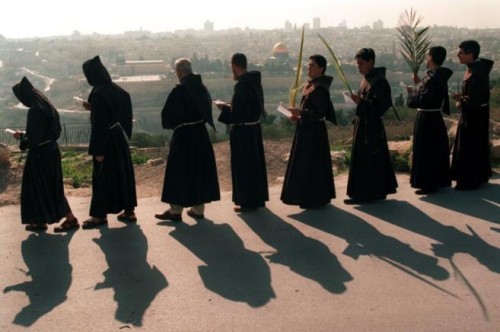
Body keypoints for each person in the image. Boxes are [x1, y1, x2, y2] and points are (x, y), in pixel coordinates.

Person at [155, 58, 220, 221]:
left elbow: (167, 118)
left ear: (179, 72)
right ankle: (198, 209)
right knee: (199, 171)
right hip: (200, 134)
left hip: (184, 137)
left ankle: (175, 210)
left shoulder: (180, 91)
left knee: (179, 172)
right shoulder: (202, 88)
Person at [11, 76, 79, 232]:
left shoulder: (35, 110)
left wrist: (22, 139)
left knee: (41, 187)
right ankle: (41, 220)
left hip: (40, 155)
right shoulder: (47, 106)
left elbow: (33, 138)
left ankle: (70, 219)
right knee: (50, 186)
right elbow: (47, 132)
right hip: (51, 151)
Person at [81, 55, 137, 228]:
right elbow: (119, 105)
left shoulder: (97, 93)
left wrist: (98, 151)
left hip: (106, 141)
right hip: (118, 136)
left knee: (102, 177)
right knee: (122, 175)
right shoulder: (113, 88)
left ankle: (99, 216)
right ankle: (128, 211)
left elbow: (99, 124)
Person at [280, 54, 337, 209]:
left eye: (312, 65)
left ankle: (316, 198)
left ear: (321, 69)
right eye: (308, 64)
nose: (308, 67)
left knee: (314, 164)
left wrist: (301, 114)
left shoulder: (320, 88)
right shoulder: (312, 85)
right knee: (307, 164)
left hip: (314, 132)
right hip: (306, 129)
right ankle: (308, 196)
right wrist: (298, 116)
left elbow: (319, 112)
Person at [216, 53, 269, 212]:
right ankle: (255, 199)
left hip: (243, 132)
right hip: (253, 129)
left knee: (244, 167)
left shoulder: (242, 85)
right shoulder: (253, 82)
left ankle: (247, 201)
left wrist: (223, 108)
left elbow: (237, 113)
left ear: (234, 66)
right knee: (254, 167)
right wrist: (230, 106)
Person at [345, 48, 397, 204]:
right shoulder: (367, 78)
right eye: (357, 63)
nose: (358, 67)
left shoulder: (380, 82)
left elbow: (381, 107)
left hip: (372, 127)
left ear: (370, 62)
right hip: (363, 124)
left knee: (370, 159)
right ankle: (368, 192)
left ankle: (367, 193)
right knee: (364, 159)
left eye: (361, 63)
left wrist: (361, 102)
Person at [406, 46, 453, 194]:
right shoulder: (437, 77)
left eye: (427, 56)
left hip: (427, 118)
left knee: (426, 150)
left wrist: (412, 93)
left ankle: (428, 183)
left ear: (431, 58)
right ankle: (437, 180)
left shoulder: (432, 78)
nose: (426, 58)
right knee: (434, 149)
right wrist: (419, 84)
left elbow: (422, 101)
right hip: (435, 117)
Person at [451, 40, 494, 190]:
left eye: (461, 53)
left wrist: (460, 99)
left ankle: (469, 180)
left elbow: (475, 99)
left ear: (470, 55)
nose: (458, 55)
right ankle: (479, 176)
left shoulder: (477, 74)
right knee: (476, 145)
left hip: (474, 116)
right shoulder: (474, 69)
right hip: (475, 114)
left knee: (469, 146)